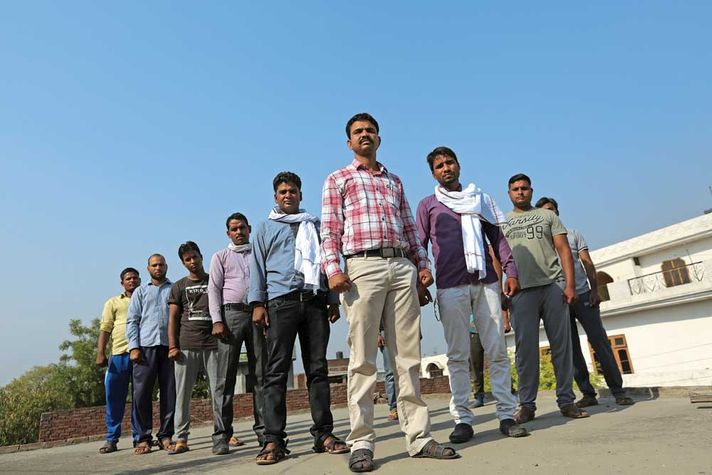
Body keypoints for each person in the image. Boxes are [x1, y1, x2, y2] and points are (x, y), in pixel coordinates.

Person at [321, 113, 458, 473]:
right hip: (360, 268)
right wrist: (333, 271)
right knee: (363, 359)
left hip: (400, 267)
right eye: (357, 132)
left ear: (379, 139)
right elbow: (330, 232)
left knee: (408, 357)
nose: (365, 135)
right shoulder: (338, 179)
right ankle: (362, 441)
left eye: (370, 130)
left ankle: (420, 437)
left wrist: (421, 265)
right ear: (349, 142)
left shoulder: (394, 181)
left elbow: (411, 228)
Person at [416, 146, 527, 442]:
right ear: (433, 173)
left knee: (497, 351)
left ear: (459, 165)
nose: (445, 168)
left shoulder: (481, 199)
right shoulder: (428, 204)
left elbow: (498, 239)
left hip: (486, 282)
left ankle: (506, 414)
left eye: (449, 162)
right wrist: (421, 276)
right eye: (439, 166)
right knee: (457, 356)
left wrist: (511, 271)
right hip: (450, 285)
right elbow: (419, 244)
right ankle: (462, 419)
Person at [249, 171, 347, 465]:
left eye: (292, 190)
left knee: (317, 369)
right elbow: (257, 268)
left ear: (301, 195)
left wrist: (332, 299)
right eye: (282, 192)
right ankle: (274, 440)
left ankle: (323, 434)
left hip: (315, 300)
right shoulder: (265, 228)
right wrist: (257, 303)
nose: (288, 195)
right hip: (281, 303)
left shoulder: (314, 224)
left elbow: (329, 260)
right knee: (276, 372)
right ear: (275, 197)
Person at [502, 174, 589, 423]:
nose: (520, 192)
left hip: (552, 286)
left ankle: (566, 401)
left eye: (524, 188)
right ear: (509, 193)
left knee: (562, 347)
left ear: (531, 190)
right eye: (515, 189)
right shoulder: (503, 222)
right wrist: (501, 292)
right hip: (521, 291)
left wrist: (569, 285)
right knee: (525, 351)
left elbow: (563, 250)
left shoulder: (547, 216)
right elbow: (497, 258)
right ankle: (527, 405)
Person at [535, 197, 634, 407]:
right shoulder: (539, 241)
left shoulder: (573, 234)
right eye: (545, 212)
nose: (549, 214)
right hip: (558, 301)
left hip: (582, 295)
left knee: (600, 342)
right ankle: (587, 394)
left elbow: (587, 262)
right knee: (571, 349)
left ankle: (618, 391)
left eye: (552, 210)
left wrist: (594, 289)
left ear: (558, 212)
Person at [208, 212, 267, 448]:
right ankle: (221, 436)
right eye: (234, 229)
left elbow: (266, 282)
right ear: (228, 232)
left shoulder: (259, 254)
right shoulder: (220, 256)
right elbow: (213, 290)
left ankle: (265, 433)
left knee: (261, 375)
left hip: (257, 313)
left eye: (242, 228)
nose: (238, 232)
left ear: (249, 229)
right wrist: (216, 320)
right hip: (230, 316)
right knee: (225, 379)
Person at [167, 241, 226, 455]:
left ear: (202, 256)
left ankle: (224, 432)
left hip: (214, 344)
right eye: (187, 259)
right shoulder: (179, 286)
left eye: (195, 257)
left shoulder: (215, 281)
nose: (192, 262)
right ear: (183, 263)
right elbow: (172, 318)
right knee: (182, 394)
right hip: (186, 346)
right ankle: (181, 438)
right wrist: (173, 345)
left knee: (219, 391)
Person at [126, 254, 175, 454]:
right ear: (148, 269)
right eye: (154, 265)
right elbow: (132, 321)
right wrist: (134, 347)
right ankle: (143, 438)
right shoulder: (140, 292)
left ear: (166, 266)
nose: (158, 268)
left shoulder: (174, 289)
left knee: (169, 394)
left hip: (169, 347)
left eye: (161, 264)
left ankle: (166, 435)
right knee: (141, 394)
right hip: (145, 348)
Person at [96, 267, 141, 454]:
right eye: (128, 278)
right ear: (122, 282)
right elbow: (105, 328)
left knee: (140, 399)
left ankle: (140, 438)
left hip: (141, 354)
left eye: (135, 278)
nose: (132, 281)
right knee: (114, 398)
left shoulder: (145, 298)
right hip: (119, 354)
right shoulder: (113, 302)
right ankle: (111, 439)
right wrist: (100, 352)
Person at [377, 331, 398, 421]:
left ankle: (409, 406)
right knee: (390, 372)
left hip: (403, 328)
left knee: (407, 370)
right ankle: (394, 408)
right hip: (385, 331)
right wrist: (377, 334)